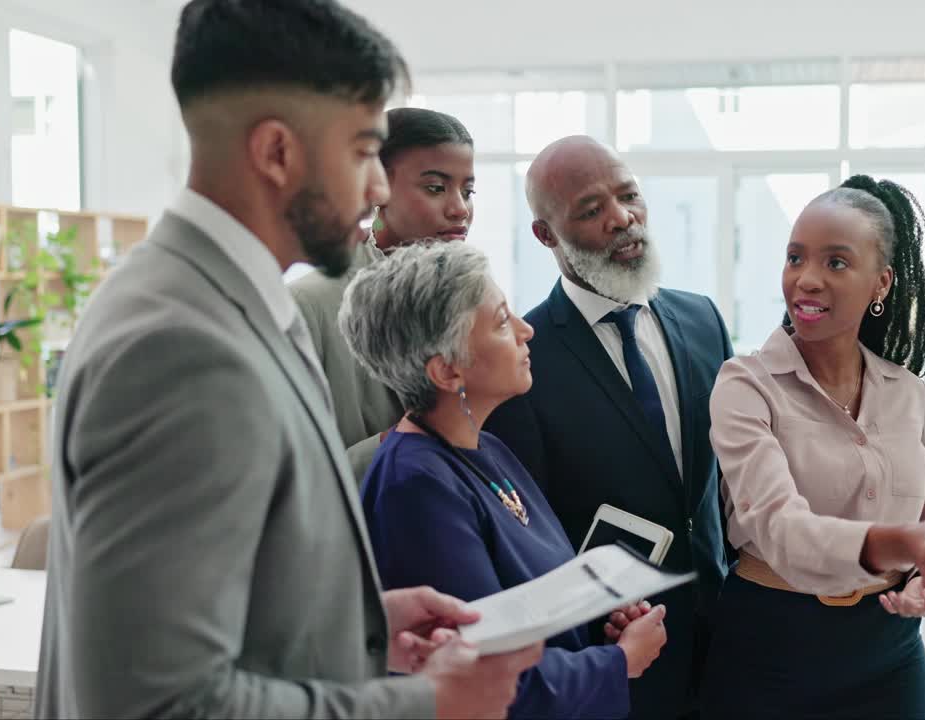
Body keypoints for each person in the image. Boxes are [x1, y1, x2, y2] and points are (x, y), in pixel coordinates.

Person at [33, 2, 540, 718]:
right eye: (364, 152)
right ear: (276, 153)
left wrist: (359, 633)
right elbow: (161, 703)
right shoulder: (181, 348)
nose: (375, 189)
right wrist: (427, 704)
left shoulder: (225, 301)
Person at [342, 241, 669, 719]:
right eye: (500, 322)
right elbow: (482, 675)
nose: (526, 329)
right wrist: (617, 662)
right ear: (447, 369)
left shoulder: (485, 448)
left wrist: (600, 625)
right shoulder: (415, 486)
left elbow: (527, 612)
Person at [699, 175, 925, 719]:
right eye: (795, 258)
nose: (806, 279)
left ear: (880, 284)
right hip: (771, 650)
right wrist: (901, 542)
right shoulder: (745, 385)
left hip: (891, 650)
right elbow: (780, 529)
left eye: (835, 262)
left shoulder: (909, 393)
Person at [484, 136, 733, 719]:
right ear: (546, 235)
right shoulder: (525, 357)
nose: (622, 219)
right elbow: (529, 539)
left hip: (728, 644)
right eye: (591, 210)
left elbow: (723, 485)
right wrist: (599, 627)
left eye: (629, 196)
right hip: (615, 657)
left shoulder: (702, 320)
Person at [291, 107, 475, 482]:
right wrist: (408, 438)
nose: (460, 209)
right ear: (377, 189)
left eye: (468, 190)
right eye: (436, 188)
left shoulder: (477, 301)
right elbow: (293, 475)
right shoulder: (309, 306)